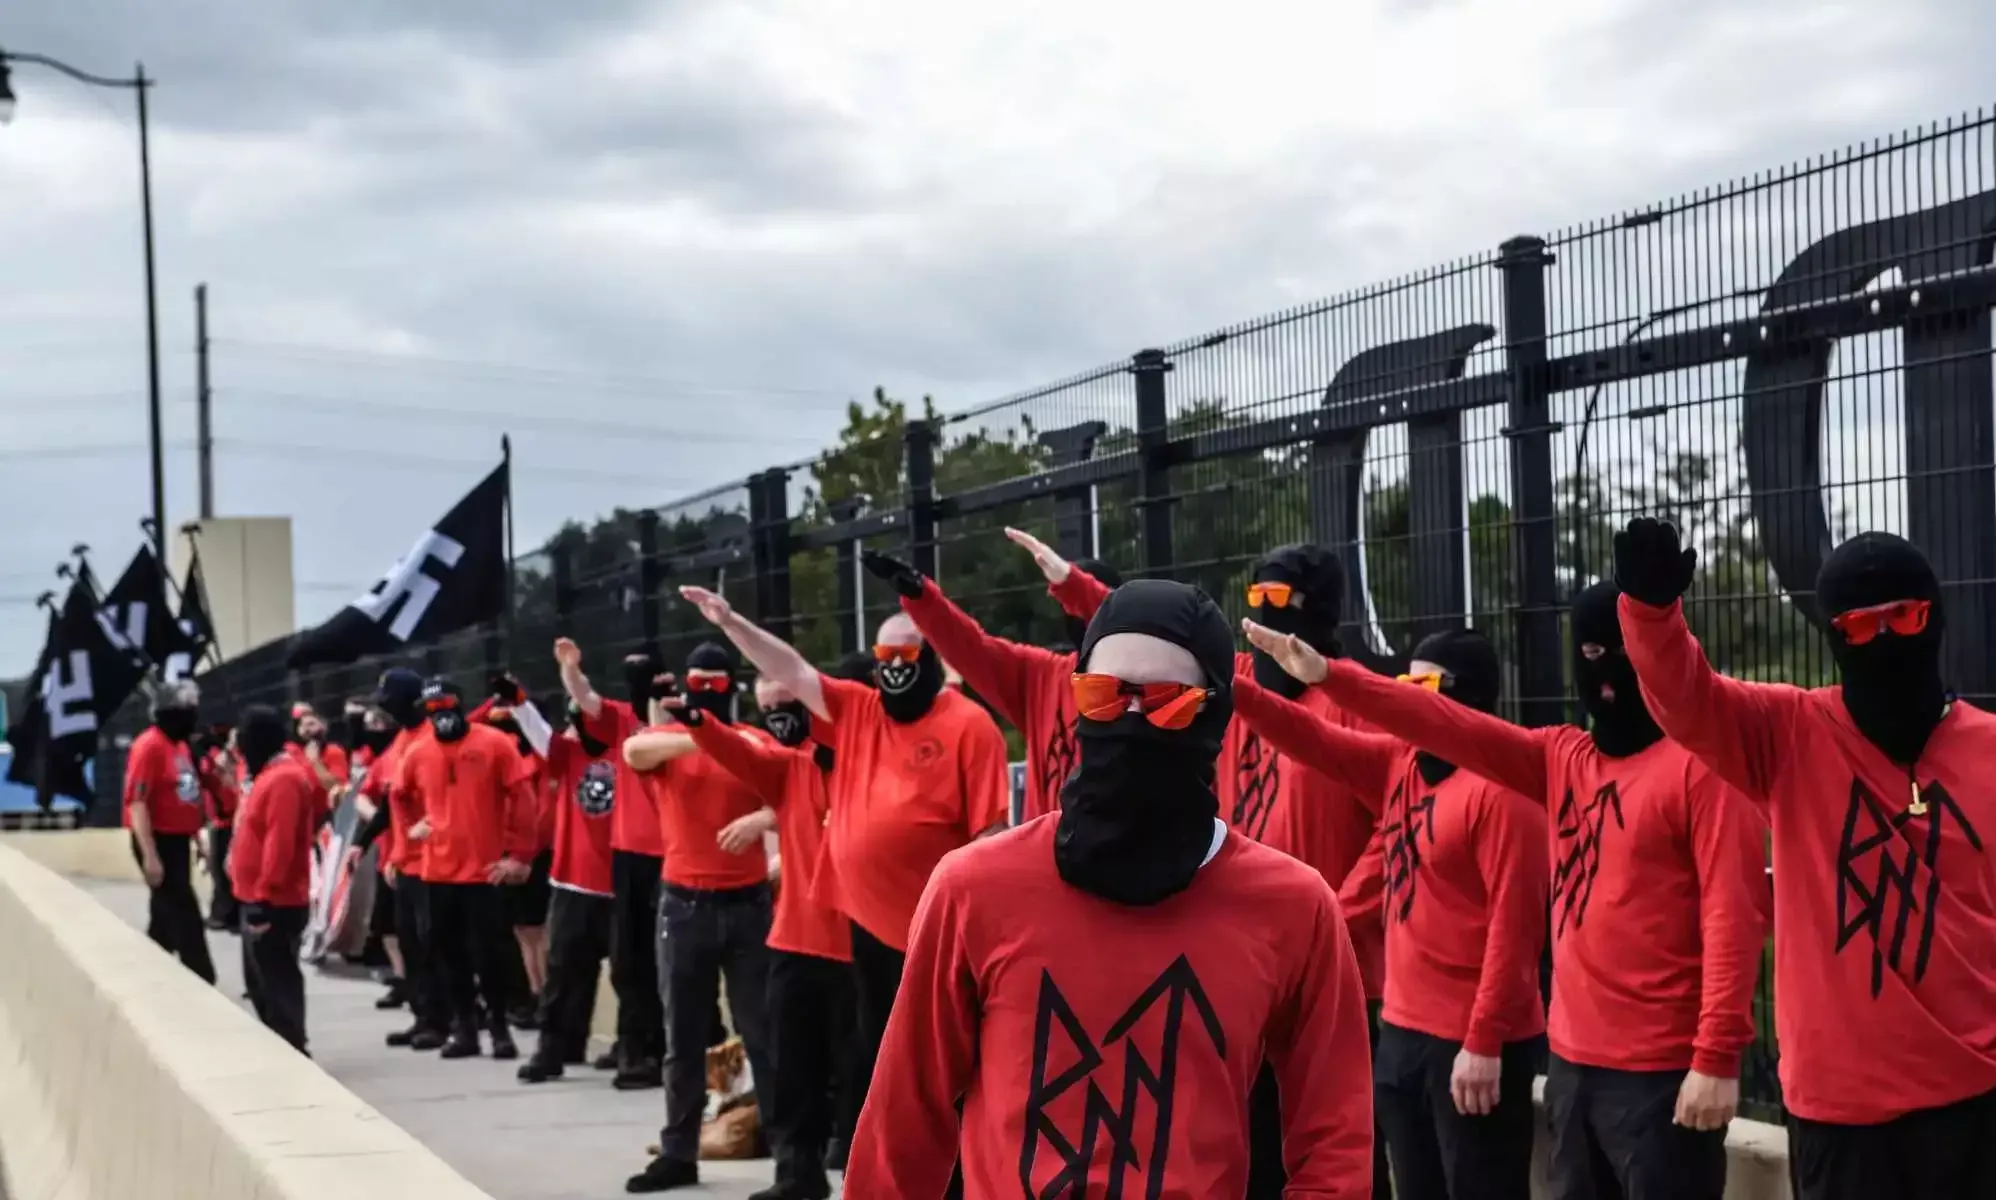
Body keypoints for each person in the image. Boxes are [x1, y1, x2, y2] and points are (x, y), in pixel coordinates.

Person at [844, 579, 1376, 1196]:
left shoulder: (1293, 906)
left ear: (1216, 714)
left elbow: (1336, 1139)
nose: (1129, 718)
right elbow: (904, 1122)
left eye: (1165, 702)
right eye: (1102, 696)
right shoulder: (973, 889)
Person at [1245, 582, 1771, 1200]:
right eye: (1592, 650)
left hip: (1657, 1070)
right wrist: (1318, 679)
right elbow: (1407, 728)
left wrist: (1715, 1056)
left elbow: (1731, 915)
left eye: (1623, 653)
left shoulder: (1699, 771)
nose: (1602, 671)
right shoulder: (1556, 757)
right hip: (1566, 1063)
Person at [1614, 519, 1996, 1200]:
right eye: (1857, 626)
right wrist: (1651, 614)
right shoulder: (1788, 734)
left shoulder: (1990, 750)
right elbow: (1685, 697)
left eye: (1903, 618)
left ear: (1933, 616)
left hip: (1977, 1102)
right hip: (1840, 1116)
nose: (1883, 641)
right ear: (1833, 635)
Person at [1224, 625, 1549, 1200]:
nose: (1403, 693)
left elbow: (1515, 929)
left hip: (1470, 1042)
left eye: (1421, 682)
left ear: (1466, 694)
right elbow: (1310, 738)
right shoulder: (1401, 760)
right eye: (1402, 680)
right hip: (1402, 1030)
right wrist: (1232, 684)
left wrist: (1483, 1041)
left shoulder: (1504, 792)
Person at [678, 581, 1011, 1123]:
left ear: (932, 656)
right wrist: (730, 623)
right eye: (885, 655)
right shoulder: (858, 709)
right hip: (868, 929)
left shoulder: (969, 726)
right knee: (886, 1066)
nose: (895, 665)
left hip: (934, 936)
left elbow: (990, 832)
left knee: (946, 1071)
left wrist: (965, 923)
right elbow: (789, 671)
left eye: (907, 653)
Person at [674, 670, 861, 1200]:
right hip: (795, 941)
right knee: (792, 1069)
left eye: (787, 702)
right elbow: (736, 752)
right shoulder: (788, 766)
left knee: (857, 1070)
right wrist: (696, 719)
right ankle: (797, 1174)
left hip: (858, 940)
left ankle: (861, 1171)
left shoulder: (862, 760)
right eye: (768, 706)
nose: (780, 715)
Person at [621, 642, 781, 1195]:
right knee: (681, 1038)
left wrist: (761, 818)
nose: (704, 693)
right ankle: (678, 1153)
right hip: (684, 903)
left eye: (715, 684)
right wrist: (700, 731)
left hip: (747, 904)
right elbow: (632, 754)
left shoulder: (756, 742)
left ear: (730, 688)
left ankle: (789, 1160)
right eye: (697, 683)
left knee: (761, 1032)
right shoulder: (666, 745)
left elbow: (792, 792)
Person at [867, 527, 1121, 822]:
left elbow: (1131, 626)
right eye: (1066, 606)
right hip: (1048, 861)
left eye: (1080, 603)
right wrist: (922, 599)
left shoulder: (1144, 680)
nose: (1074, 614)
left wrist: (1071, 584)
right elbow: (972, 648)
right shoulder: (1042, 677)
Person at [395, 677, 535, 1060]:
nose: (441, 714)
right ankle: (466, 1030)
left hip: (484, 871)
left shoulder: (494, 743)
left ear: (460, 703)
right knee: (449, 955)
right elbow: (398, 795)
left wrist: (520, 855)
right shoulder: (418, 752)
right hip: (437, 872)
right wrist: (409, 834)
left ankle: (501, 1030)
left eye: (446, 704)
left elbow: (522, 796)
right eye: (432, 709)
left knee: (490, 956)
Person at [558, 637, 670, 1089]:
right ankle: (634, 1045)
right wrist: (570, 667)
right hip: (629, 857)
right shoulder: (621, 718)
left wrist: (664, 709)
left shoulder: (679, 720)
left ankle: (665, 1046)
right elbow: (585, 698)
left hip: (671, 855)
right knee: (627, 958)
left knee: (667, 958)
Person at [518, 695, 622, 1084]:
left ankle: (631, 1046)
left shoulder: (632, 751)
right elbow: (539, 734)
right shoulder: (568, 753)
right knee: (563, 972)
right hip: (573, 879)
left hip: (622, 879)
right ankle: (555, 1048)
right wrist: (518, 705)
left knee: (629, 973)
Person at [364, 667, 450, 1050]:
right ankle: (422, 1017)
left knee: (435, 946)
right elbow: (390, 801)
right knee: (412, 945)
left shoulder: (434, 738)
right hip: (404, 860)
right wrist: (377, 848)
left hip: (434, 861)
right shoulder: (400, 742)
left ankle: (440, 1019)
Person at [229, 704, 319, 1055]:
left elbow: (279, 845)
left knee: (277, 979)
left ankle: (292, 1045)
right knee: (260, 981)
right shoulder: (269, 776)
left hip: (274, 902)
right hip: (258, 896)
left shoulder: (283, 779)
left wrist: (263, 899)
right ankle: (282, 1041)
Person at [123, 678, 217, 984]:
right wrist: (150, 855)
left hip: (178, 840)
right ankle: (202, 978)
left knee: (164, 916)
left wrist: (197, 839)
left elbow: (187, 796)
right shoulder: (149, 746)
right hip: (157, 839)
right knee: (184, 911)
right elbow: (138, 804)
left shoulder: (180, 746)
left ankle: (151, 970)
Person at [481, 681, 555, 1029]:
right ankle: (535, 992)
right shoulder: (515, 756)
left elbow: (542, 813)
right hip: (516, 852)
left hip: (537, 854)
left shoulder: (543, 756)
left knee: (538, 931)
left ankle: (544, 994)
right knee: (525, 931)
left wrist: (526, 854)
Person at [197, 722, 242, 932]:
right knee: (221, 872)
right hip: (222, 820)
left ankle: (225, 915)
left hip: (225, 821)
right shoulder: (220, 757)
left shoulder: (221, 758)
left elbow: (223, 784)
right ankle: (223, 913)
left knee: (222, 872)